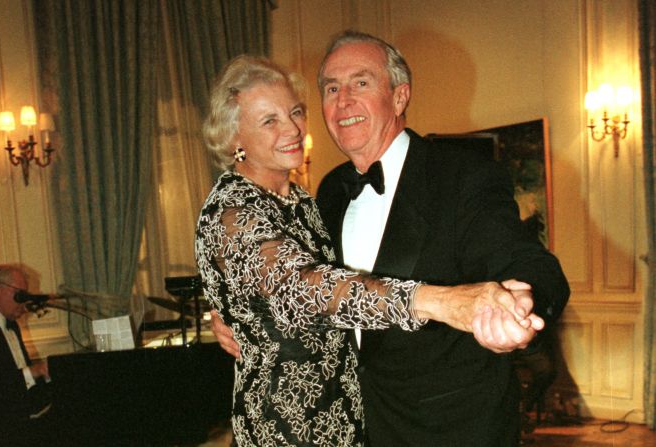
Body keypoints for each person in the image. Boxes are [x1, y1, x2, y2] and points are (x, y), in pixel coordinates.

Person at [213, 31, 570, 446]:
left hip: (449, 427)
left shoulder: (460, 175)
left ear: (400, 97)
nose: (342, 100)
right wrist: (234, 313)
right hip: (352, 424)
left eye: (360, 83)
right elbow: (299, 285)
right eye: (331, 87)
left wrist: (522, 302)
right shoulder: (328, 191)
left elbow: (526, 259)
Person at [0, 264, 52, 446]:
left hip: (20, 423)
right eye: (20, 295)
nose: (25, 302)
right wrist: (33, 372)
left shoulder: (12, 325)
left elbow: (20, 379)